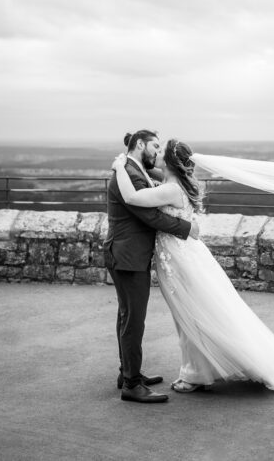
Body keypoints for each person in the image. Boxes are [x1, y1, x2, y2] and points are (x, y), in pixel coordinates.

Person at [111, 138, 274, 393]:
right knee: (192, 314)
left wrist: (120, 165)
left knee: (192, 316)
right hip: (183, 256)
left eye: (160, 151)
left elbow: (132, 197)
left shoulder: (170, 189)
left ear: (169, 162)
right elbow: (149, 171)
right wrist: (135, 162)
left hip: (180, 261)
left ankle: (195, 374)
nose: (155, 154)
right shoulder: (173, 181)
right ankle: (197, 370)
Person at [104, 130, 200, 403]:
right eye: (154, 146)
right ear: (140, 144)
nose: (157, 152)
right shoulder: (129, 172)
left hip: (129, 255)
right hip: (128, 256)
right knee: (133, 320)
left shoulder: (135, 169)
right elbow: (151, 217)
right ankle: (132, 384)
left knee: (127, 316)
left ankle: (128, 373)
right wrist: (187, 227)